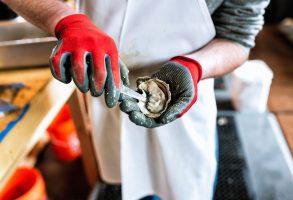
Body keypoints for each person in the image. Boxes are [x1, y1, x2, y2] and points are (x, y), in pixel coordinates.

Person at [3, 0, 270, 199]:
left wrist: (194, 67)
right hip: (106, 94)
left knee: (182, 185)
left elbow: (238, 37)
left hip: (184, 104)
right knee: (121, 181)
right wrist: (64, 19)